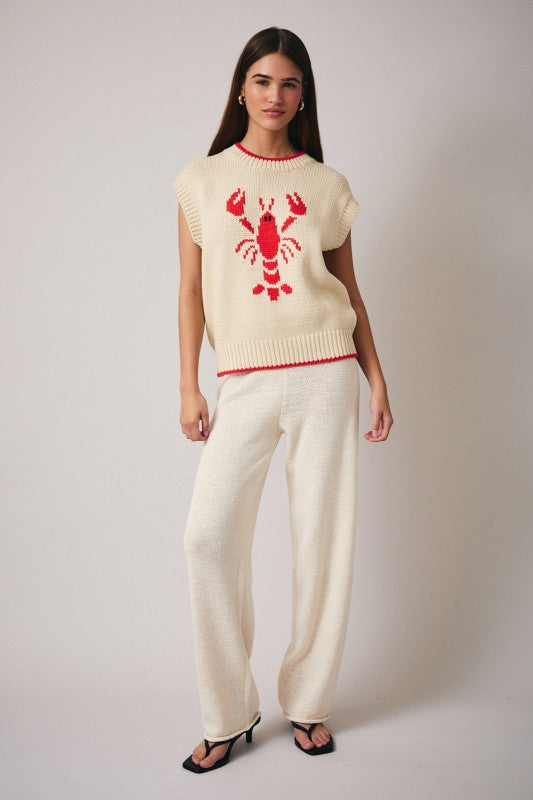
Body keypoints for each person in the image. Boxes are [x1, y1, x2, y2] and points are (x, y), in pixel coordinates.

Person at [173, 26, 393, 774]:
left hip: (326, 370)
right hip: (243, 379)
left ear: (304, 97)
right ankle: (227, 712)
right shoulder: (201, 182)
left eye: (289, 83)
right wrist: (188, 383)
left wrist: (376, 376)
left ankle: (309, 701)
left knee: (322, 540)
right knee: (207, 538)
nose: (275, 95)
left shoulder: (326, 185)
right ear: (241, 88)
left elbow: (349, 290)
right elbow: (190, 291)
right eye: (263, 80)